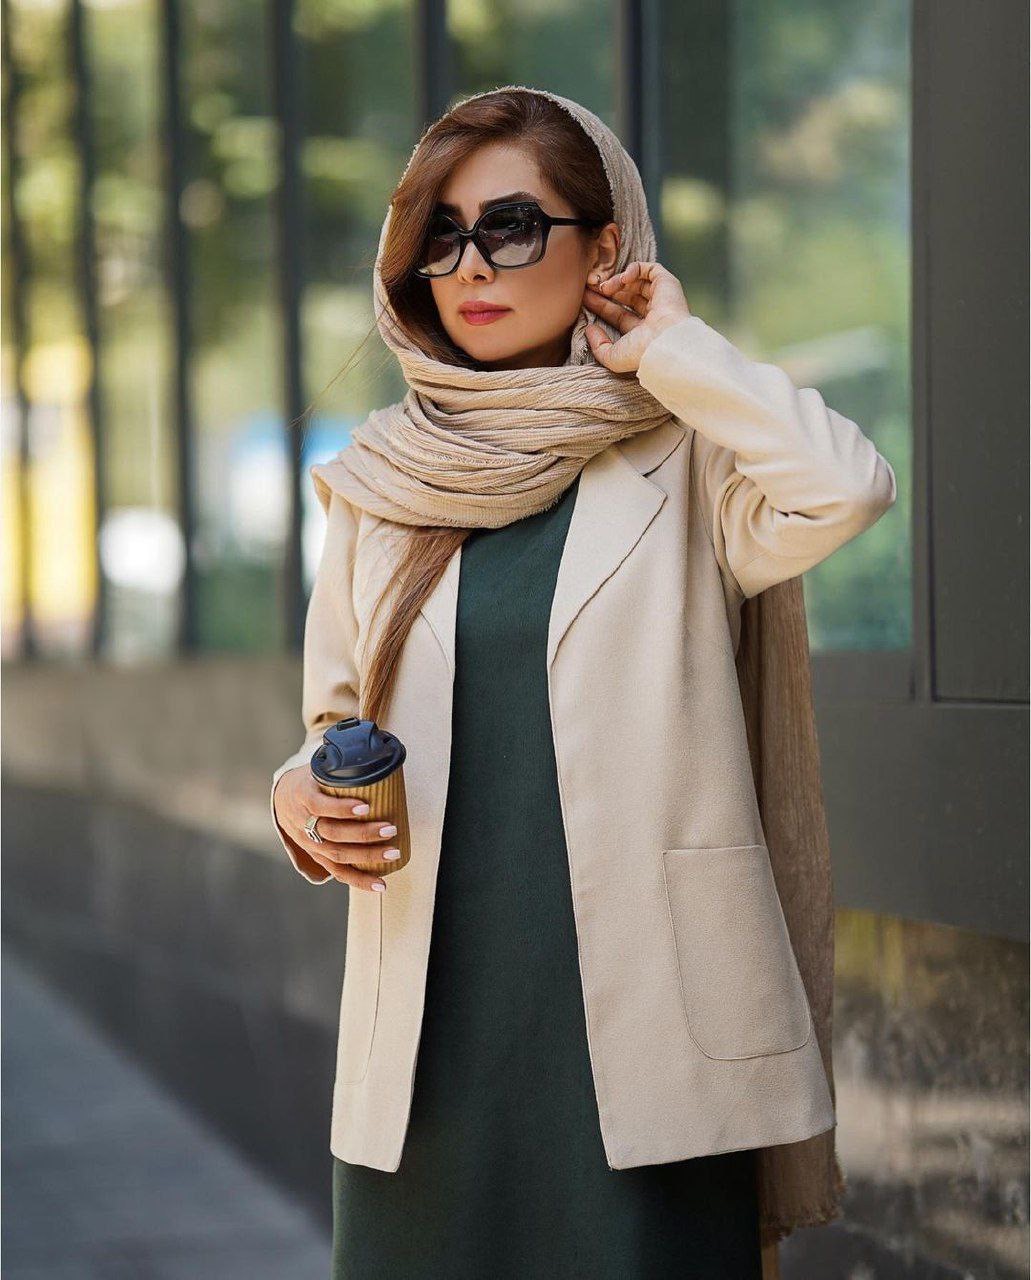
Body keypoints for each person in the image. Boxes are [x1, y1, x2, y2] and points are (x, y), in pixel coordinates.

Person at [270, 86, 896, 1279]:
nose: (470, 265)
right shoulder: (377, 482)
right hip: (432, 1035)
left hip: (648, 1036)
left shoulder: (688, 456)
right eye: (441, 235)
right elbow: (331, 719)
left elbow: (846, 486)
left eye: (510, 225)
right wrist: (299, 797)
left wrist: (671, 348)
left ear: (604, 248)